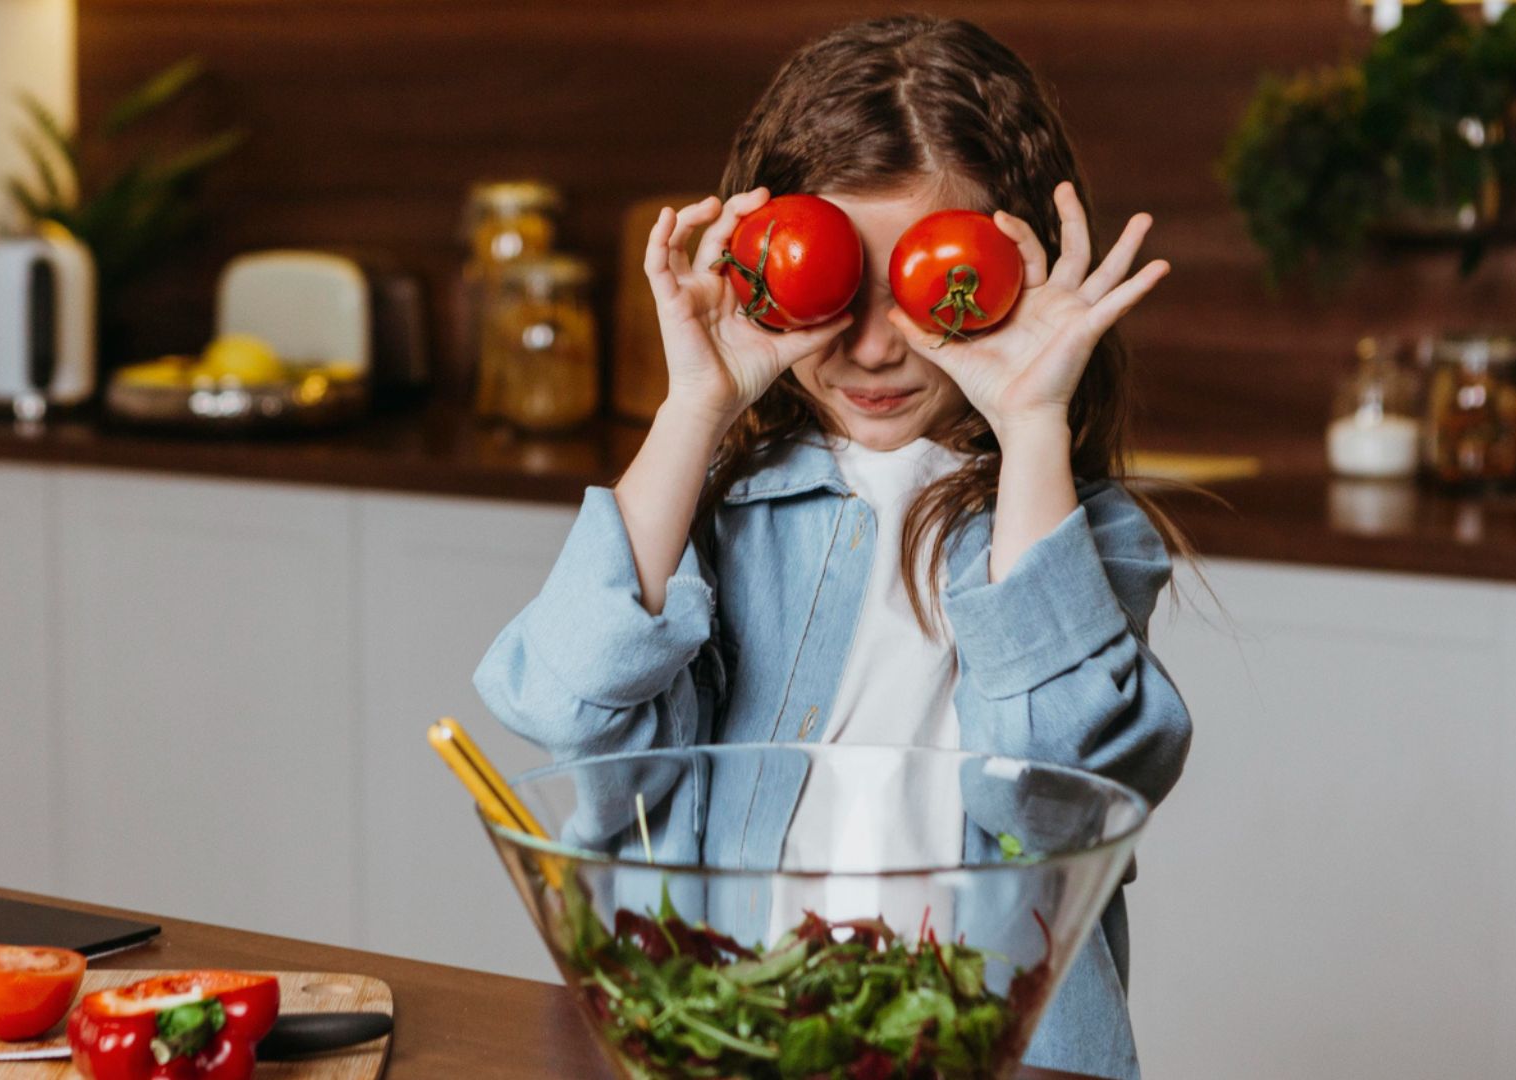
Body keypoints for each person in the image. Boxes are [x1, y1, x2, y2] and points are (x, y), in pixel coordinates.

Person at [474, 15, 1190, 1078]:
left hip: (995, 1051)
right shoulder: (719, 514)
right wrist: (695, 408)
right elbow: (562, 702)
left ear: (1011, 269)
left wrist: (1035, 422)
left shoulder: (1082, 539)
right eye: (831, 284)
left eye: (924, 284)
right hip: (739, 1040)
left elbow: (1058, 794)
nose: (871, 344)